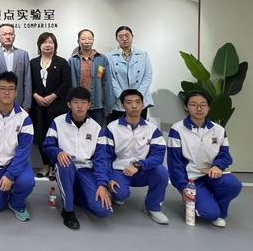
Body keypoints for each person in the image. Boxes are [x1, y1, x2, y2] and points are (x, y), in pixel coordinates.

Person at [168, 91, 242, 227]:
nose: (199, 108)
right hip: (190, 179)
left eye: (203, 105)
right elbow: (175, 163)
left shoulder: (219, 130)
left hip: (212, 175)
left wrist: (217, 166)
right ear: (186, 107)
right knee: (209, 213)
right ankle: (202, 203)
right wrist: (183, 186)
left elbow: (225, 155)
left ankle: (219, 210)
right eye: (193, 105)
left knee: (233, 184)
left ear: (209, 107)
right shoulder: (177, 130)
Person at [43, 87, 113, 230]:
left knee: (103, 211)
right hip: (65, 167)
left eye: (83, 102)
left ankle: (76, 195)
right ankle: (68, 211)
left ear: (89, 105)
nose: (79, 106)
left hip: (86, 170)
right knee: (65, 163)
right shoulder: (58, 122)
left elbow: (101, 159)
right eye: (75, 102)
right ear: (69, 104)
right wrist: (58, 152)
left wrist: (102, 184)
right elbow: (47, 145)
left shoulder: (96, 128)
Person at [104, 89, 169, 224]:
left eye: (138, 102)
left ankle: (153, 207)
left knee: (161, 172)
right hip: (119, 171)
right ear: (122, 106)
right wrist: (108, 178)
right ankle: (118, 196)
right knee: (120, 194)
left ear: (143, 105)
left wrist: (139, 165)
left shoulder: (152, 129)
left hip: (142, 170)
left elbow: (158, 155)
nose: (134, 106)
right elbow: (105, 156)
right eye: (129, 102)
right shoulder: (112, 128)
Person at [0, 71, 35, 222]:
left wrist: (10, 175)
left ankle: (17, 203)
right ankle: (0, 195)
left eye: (11, 88)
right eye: (2, 88)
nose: (7, 92)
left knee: (27, 181)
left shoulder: (24, 118)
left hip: (15, 164)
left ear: (16, 93)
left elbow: (24, 151)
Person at [29, 32, 71, 178]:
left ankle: (54, 165)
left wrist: (53, 96)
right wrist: (35, 95)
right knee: (41, 136)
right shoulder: (33, 63)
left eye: (50, 42)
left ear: (55, 45)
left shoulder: (62, 62)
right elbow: (27, 82)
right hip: (38, 107)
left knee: (56, 137)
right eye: (44, 42)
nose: (47, 45)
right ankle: (45, 165)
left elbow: (67, 83)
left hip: (57, 106)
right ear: (39, 45)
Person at [107, 26, 153, 122]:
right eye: (120, 36)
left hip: (140, 99)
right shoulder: (109, 56)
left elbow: (147, 76)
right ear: (116, 39)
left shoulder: (143, 55)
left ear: (132, 36)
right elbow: (110, 77)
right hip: (119, 101)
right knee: (118, 127)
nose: (124, 39)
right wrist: (122, 96)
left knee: (140, 128)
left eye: (127, 36)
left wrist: (138, 95)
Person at [68, 29, 113, 126]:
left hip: (97, 105)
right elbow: (69, 85)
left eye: (90, 38)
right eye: (83, 39)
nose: (87, 41)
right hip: (78, 106)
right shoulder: (72, 60)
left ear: (93, 40)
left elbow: (106, 83)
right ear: (78, 41)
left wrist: (108, 106)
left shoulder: (101, 59)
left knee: (97, 132)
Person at [0, 24, 31, 111]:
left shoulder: (23, 54)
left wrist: (27, 104)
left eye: (11, 34)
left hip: (18, 101)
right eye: (4, 34)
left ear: (14, 36)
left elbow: (27, 81)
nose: (8, 37)